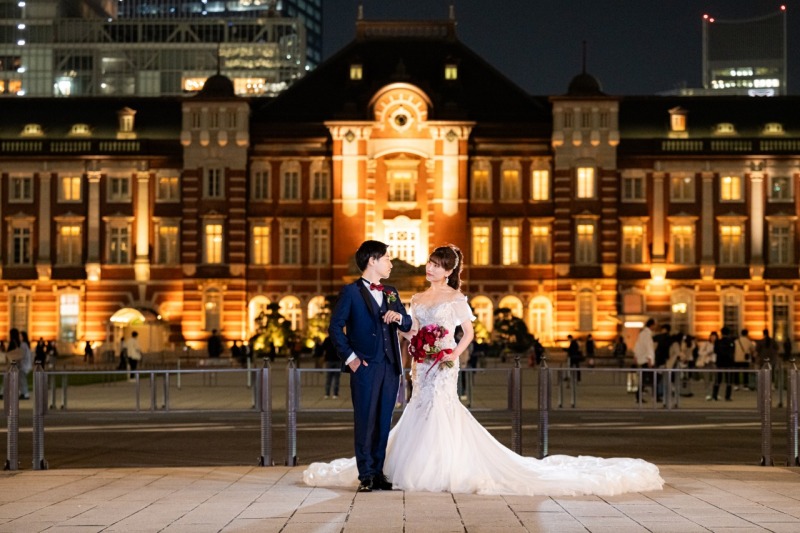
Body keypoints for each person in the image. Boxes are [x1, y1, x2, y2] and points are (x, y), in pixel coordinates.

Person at [304, 244, 664, 497]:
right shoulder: (411, 297)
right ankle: (378, 472)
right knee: (413, 412)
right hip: (418, 364)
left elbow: (469, 333)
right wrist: (407, 334)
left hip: (443, 364)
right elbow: (409, 328)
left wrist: (450, 354)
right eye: (428, 263)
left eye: (436, 265)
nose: (429, 268)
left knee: (438, 412)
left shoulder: (454, 298)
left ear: (448, 271)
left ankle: (432, 470)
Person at [325, 240, 412, 493]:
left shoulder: (391, 292)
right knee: (365, 420)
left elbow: (407, 324)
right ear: (372, 260)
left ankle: (378, 472)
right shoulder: (351, 292)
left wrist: (399, 317)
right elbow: (335, 328)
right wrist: (351, 359)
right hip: (365, 367)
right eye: (387, 258)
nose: (391, 263)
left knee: (384, 420)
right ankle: (366, 475)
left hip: (390, 366)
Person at [633, 319, 656, 402]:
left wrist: (635, 356)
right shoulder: (647, 334)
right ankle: (653, 395)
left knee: (644, 378)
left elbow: (637, 346)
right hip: (646, 359)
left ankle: (639, 395)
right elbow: (648, 347)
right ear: (651, 325)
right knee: (650, 378)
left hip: (642, 359)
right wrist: (650, 359)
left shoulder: (642, 334)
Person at [712, 326, 736, 401]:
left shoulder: (717, 342)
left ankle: (714, 395)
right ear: (728, 333)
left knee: (718, 379)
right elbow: (732, 351)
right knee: (728, 380)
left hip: (719, 362)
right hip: (728, 362)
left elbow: (715, 351)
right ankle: (727, 396)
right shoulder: (731, 342)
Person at [697, 331, 718, 400]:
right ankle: (708, 393)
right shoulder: (706, 344)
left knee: (715, 379)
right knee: (707, 379)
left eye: (714, 337)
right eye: (712, 337)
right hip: (707, 362)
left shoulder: (718, 344)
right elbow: (700, 352)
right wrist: (707, 353)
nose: (713, 338)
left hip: (714, 362)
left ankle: (714, 393)